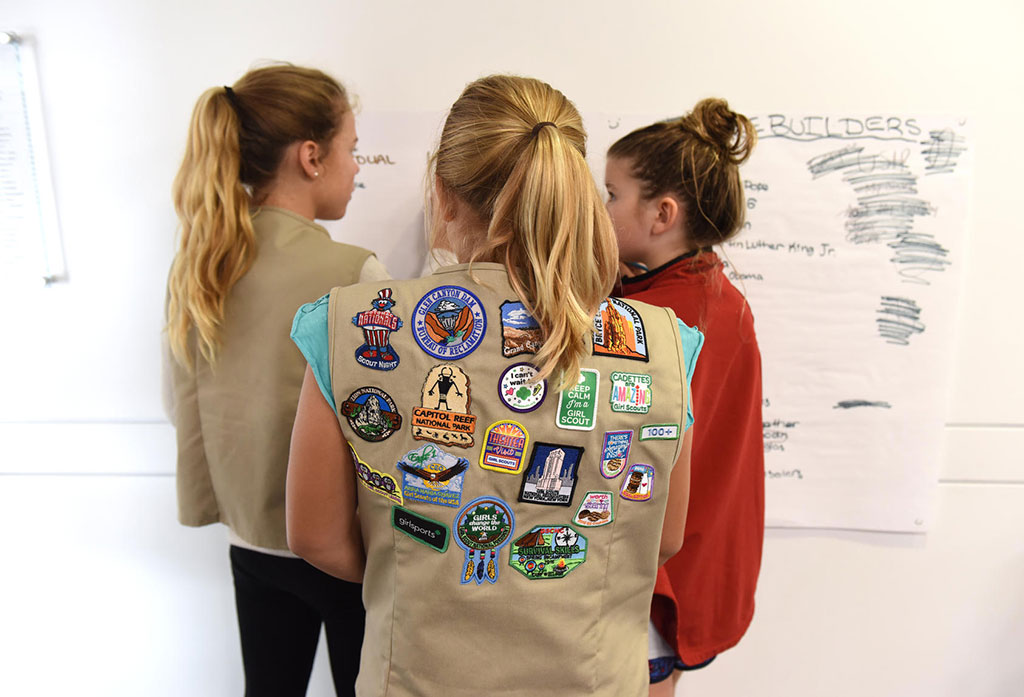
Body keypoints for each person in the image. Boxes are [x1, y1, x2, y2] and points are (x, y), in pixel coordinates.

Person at [286, 74, 704, 697]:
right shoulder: (664, 345)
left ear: (442, 192)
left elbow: (315, 536)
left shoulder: (348, 325)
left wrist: (423, 566)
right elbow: (664, 536)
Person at [165, 64, 389, 697]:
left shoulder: (202, 261)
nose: (358, 166)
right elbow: (384, 424)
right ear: (311, 157)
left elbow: (177, 398)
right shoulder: (353, 270)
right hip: (340, 545)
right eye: (352, 149)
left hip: (249, 539)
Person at [604, 99, 765, 695]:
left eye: (612, 195)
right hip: (678, 570)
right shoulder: (705, 294)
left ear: (662, 213)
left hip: (656, 580)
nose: (603, 207)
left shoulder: (665, 317)